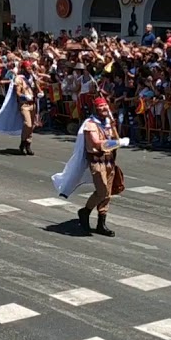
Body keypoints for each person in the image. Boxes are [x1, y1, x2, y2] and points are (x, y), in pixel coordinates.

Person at [52, 97, 128, 237]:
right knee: (102, 191)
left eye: (106, 106)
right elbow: (97, 144)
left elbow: (115, 139)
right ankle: (85, 211)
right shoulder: (90, 124)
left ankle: (101, 223)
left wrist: (114, 127)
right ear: (95, 108)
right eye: (101, 107)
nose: (105, 109)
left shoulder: (107, 123)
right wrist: (118, 142)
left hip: (110, 161)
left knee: (107, 194)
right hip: (97, 161)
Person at [0, 59, 39, 155]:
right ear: (24, 69)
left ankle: (28, 144)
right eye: (28, 68)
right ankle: (23, 143)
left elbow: (37, 88)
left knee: (32, 126)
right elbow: (18, 93)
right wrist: (25, 96)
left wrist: (37, 84)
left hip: (33, 103)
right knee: (27, 124)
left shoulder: (32, 78)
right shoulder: (19, 79)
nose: (30, 69)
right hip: (24, 104)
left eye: (30, 68)